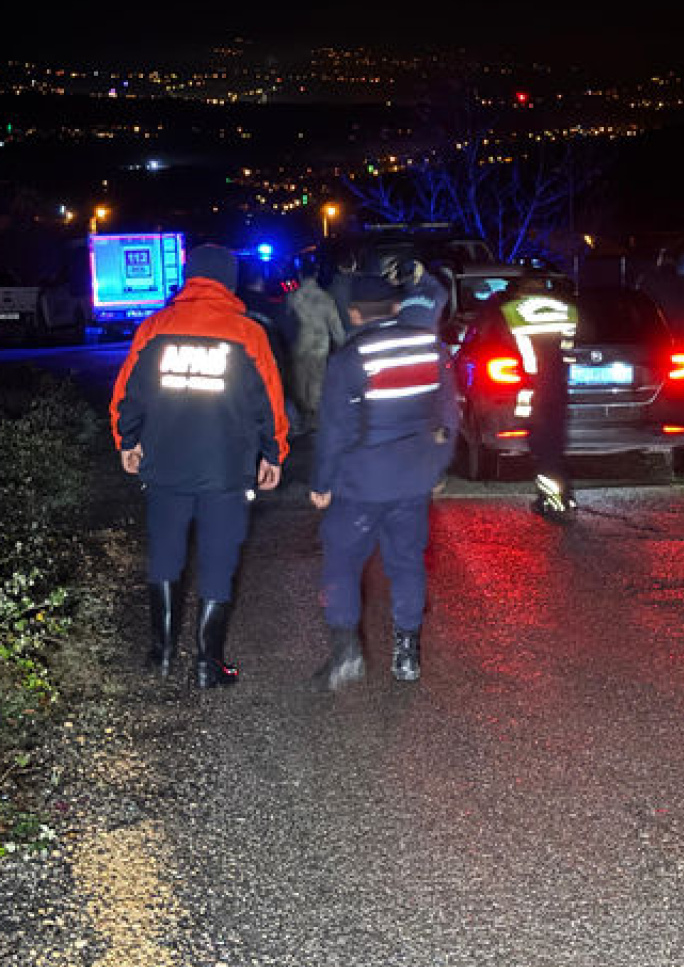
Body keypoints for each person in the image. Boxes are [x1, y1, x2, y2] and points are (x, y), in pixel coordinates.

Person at [109, 243, 290, 688]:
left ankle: (163, 654)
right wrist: (274, 453)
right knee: (218, 558)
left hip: (165, 464)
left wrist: (126, 442)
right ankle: (209, 665)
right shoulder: (247, 333)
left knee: (166, 553)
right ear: (228, 280)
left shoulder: (154, 327)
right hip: (225, 470)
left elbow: (128, 395)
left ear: (188, 277)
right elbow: (269, 402)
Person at [309, 272, 458, 689]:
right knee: (407, 562)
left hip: (359, 484)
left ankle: (346, 652)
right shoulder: (432, 348)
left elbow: (335, 431)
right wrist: (437, 466)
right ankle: (407, 655)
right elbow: (449, 416)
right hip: (413, 480)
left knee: (342, 562)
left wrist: (321, 483)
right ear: (396, 307)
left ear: (354, 313)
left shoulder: (349, 358)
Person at [499, 269, 579, 519]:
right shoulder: (566, 309)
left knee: (543, 448)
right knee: (555, 446)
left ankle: (554, 503)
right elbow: (569, 347)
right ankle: (564, 497)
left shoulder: (512, 311)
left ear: (522, 289)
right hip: (558, 388)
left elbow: (505, 345)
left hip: (533, 390)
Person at [286, 260, 346, 431]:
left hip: (298, 345)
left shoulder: (293, 297)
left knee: (299, 382)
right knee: (316, 382)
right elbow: (335, 325)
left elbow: (286, 321)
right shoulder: (325, 298)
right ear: (316, 275)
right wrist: (342, 344)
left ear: (300, 274)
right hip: (320, 346)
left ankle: (300, 419)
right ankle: (314, 422)